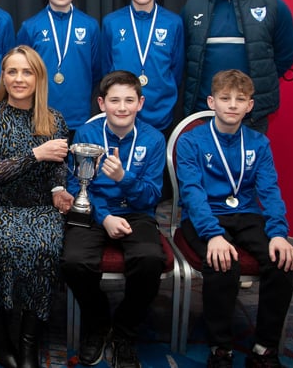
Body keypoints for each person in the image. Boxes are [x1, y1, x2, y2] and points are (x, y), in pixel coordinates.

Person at [175, 69, 293, 368]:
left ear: (250, 105)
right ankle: (221, 348)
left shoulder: (259, 143)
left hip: (245, 215)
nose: (232, 105)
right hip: (202, 217)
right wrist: (213, 234)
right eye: (225, 98)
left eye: (239, 99)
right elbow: (192, 192)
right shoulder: (192, 141)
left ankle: (264, 348)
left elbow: (269, 191)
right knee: (222, 263)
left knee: (283, 262)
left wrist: (280, 233)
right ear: (211, 101)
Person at [0, 45, 69, 368]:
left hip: (39, 208)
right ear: (3, 77)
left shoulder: (54, 120)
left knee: (45, 246)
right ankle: (0, 341)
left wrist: (59, 190)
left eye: (27, 72)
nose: (19, 78)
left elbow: (59, 172)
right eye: (12, 71)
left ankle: (28, 343)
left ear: (38, 78)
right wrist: (36, 154)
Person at [58, 70, 167, 368]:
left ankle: (124, 332)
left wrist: (124, 178)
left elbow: (151, 197)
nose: (122, 107)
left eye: (129, 100)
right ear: (101, 103)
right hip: (95, 210)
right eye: (115, 100)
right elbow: (75, 187)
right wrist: (104, 217)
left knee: (150, 260)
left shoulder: (154, 140)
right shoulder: (86, 135)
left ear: (140, 103)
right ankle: (98, 322)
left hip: (136, 212)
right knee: (72, 261)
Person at [181, 0, 293, 134]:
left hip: (251, 118)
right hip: (202, 115)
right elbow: (184, 57)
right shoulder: (193, 5)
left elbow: (283, 58)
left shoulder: (272, 3)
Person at [101, 0, 184, 134]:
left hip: (160, 114)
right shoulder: (112, 22)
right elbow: (106, 67)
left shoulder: (173, 22)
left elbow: (176, 70)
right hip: (121, 113)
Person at [16, 0, 101, 133]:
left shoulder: (90, 26)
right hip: (40, 116)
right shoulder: (30, 27)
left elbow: (97, 71)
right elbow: (21, 71)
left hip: (80, 117)